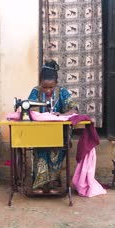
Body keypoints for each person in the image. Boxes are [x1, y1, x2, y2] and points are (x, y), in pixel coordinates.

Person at [28, 59, 78, 193]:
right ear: (40, 84)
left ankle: (53, 181)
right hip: (39, 132)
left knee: (56, 150)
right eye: (44, 87)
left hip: (58, 132)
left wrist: (61, 115)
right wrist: (38, 114)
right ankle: (40, 183)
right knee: (41, 150)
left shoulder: (62, 92)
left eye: (51, 87)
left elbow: (74, 110)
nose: (48, 90)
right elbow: (30, 109)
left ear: (56, 84)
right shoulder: (35, 91)